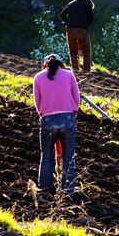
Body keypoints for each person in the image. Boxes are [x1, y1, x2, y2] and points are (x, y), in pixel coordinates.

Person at [32, 53, 80, 195]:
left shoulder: (38, 77)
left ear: (45, 64)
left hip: (47, 119)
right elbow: (76, 99)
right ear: (61, 64)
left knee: (46, 156)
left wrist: (44, 114)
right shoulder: (69, 75)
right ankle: (68, 189)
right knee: (68, 157)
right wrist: (72, 115)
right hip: (67, 118)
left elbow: (37, 103)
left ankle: (45, 188)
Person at [59, 0, 94, 74]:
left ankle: (75, 69)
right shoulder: (87, 5)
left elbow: (62, 15)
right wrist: (85, 24)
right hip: (82, 29)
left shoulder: (71, 4)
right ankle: (86, 71)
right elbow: (91, 18)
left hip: (70, 29)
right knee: (86, 51)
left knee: (72, 51)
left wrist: (69, 22)